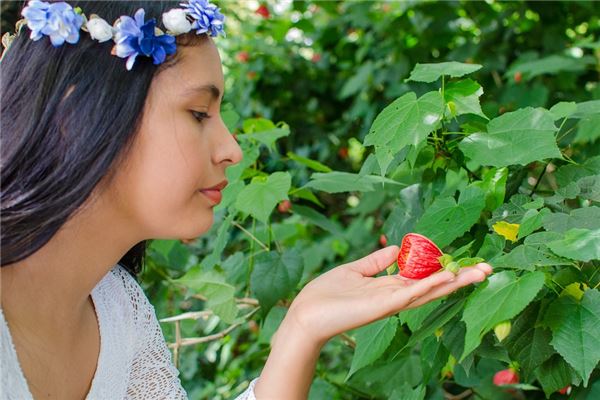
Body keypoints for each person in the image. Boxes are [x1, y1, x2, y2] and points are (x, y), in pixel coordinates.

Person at [0, 1, 493, 399]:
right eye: (199, 113)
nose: (231, 149)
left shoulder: (115, 310)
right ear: (76, 112)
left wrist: (301, 329)